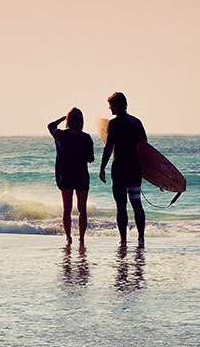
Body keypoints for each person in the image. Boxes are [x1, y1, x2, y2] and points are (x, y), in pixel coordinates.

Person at [98, 92, 147, 246]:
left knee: (121, 206)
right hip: (134, 169)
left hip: (119, 169)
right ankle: (141, 239)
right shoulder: (137, 122)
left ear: (117, 106)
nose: (109, 108)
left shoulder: (113, 124)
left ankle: (123, 240)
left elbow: (108, 147)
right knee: (136, 203)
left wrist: (102, 168)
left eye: (111, 105)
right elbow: (145, 146)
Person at [48, 108, 94, 245]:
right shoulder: (86, 137)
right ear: (81, 121)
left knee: (67, 208)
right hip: (81, 175)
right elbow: (90, 158)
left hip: (65, 175)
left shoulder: (60, 135)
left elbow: (50, 126)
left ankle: (68, 238)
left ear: (68, 121)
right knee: (82, 209)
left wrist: (62, 119)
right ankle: (81, 238)